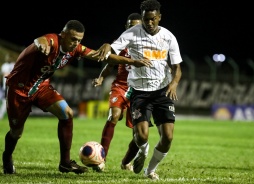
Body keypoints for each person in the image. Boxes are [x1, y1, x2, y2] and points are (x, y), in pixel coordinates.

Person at [2, 19, 152, 175]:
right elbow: (41, 40)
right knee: (16, 133)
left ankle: (65, 163)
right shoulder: (52, 41)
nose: (75, 43)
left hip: (41, 87)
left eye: (79, 40)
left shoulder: (76, 49)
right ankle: (7, 157)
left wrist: (133, 61)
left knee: (67, 113)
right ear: (63, 34)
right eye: (73, 39)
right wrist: (40, 44)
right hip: (18, 90)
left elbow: (103, 57)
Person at [96, 0, 182, 180]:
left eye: (152, 19)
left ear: (159, 17)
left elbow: (177, 67)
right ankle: (142, 151)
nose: (149, 23)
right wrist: (106, 46)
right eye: (145, 20)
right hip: (140, 92)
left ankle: (150, 170)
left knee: (167, 138)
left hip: (162, 92)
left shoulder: (169, 37)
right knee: (141, 137)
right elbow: (112, 52)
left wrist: (173, 83)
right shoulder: (132, 33)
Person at [92, 13, 143, 172]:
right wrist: (101, 78)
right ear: (126, 27)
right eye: (129, 25)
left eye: (135, 25)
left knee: (140, 133)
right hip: (120, 86)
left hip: (140, 90)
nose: (132, 28)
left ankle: (126, 162)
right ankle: (101, 159)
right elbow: (110, 64)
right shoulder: (121, 43)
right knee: (113, 116)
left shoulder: (148, 44)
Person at [0, 54, 15, 119]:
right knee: (5, 102)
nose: (8, 59)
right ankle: (1, 116)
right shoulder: (4, 66)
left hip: (13, 86)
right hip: (6, 86)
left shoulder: (13, 65)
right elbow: (5, 74)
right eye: (7, 57)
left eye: (9, 57)